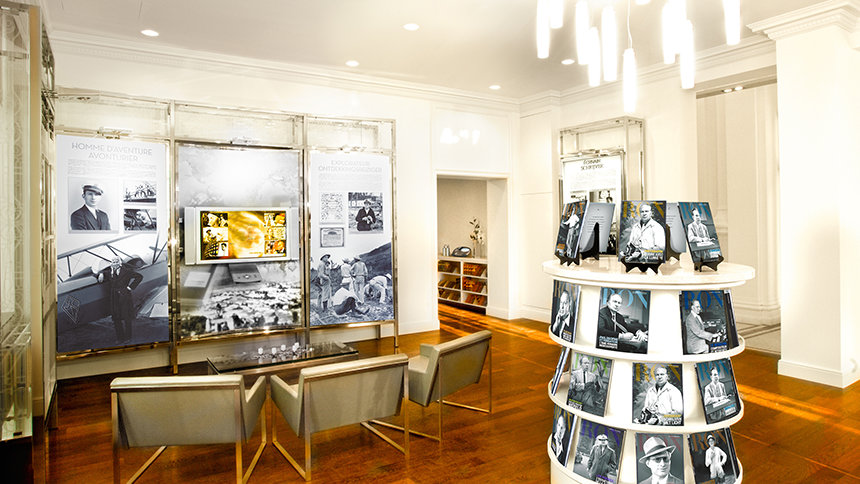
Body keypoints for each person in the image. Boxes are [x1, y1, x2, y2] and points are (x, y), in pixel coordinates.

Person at [98, 256, 142, 344]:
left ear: (120, 263)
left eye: (116, 262)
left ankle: (128, 337)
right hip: (114, 297)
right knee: (116, 318)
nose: (114, 263)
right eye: (113, 262)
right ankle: (120, 338)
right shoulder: (109, 272)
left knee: (127, 317)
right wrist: (101, 274)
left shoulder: (126, 271)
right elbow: (100, 274)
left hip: (124, 296)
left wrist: (130, 288)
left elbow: (139, 277)